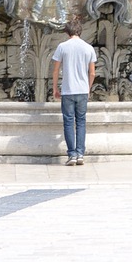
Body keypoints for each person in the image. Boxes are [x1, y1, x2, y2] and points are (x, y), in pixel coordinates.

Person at [50, 18, 97, 166]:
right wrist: (88, 89)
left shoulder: (62, 47)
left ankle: (72, 155)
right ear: (80, 31)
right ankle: (80, 154)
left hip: (68, 90)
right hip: (82, 90)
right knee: (81, 121)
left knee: (69, 122)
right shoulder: (88, 48)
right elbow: (92, 73)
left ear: (67, 32)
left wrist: (55, 88)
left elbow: (56, 70)